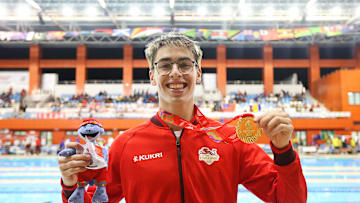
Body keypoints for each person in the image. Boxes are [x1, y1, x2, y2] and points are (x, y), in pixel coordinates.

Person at [58, 32, 307, 203]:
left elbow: (288, 199)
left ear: (197, 73)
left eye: (185, 65)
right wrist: (70, 183)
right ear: (152, 76)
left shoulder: (229, 139)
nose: (175, 73)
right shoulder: (126, 145)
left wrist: (283, 150)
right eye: (165, 65)